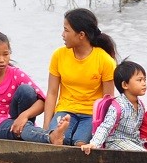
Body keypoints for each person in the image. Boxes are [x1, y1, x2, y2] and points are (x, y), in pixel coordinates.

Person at [42, 8, 118, 147]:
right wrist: (46, 126)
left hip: (90, 115)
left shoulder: (105, 60)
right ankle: (57, 134)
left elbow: (107, 101)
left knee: (80, 144)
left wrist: (103, 133)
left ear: (81, 35)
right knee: (57, 138)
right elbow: (52, 93)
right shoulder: (58, 55)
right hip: (65, 110)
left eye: (66, 30)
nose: (62, 34)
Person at [82, 60, 147, 153]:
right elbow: (105, 127)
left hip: (134, 141)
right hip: (116, 142)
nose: (144, 83)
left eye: (144, 80)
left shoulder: (141, 105)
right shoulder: (117, 106)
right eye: (139, 80)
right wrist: (94, 144)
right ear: (125, 85)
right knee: (145, 155)